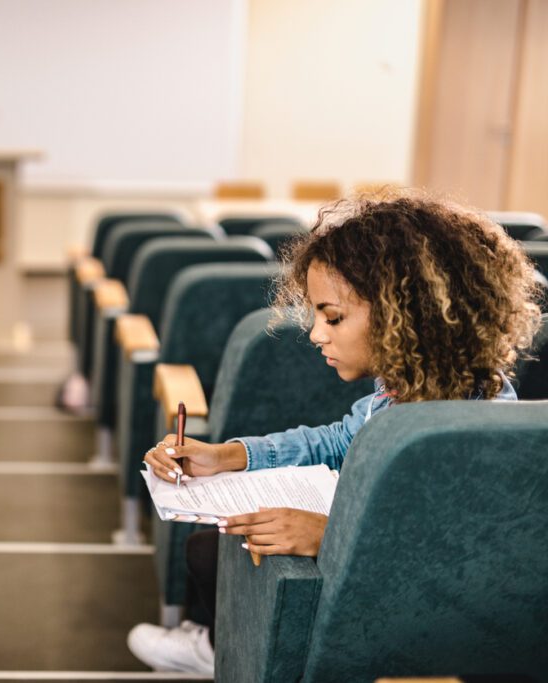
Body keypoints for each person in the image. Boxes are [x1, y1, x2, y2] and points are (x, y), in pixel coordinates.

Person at [127, 190, 544, 675]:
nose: (316, 334)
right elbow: (341, 441)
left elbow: (465, 547)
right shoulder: (399, 390)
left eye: (334, 317)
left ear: (404, 312)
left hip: (417, 616)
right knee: (212, 545)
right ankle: (222, 646)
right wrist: (229, 456)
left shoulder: (476, 420)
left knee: (228, 551)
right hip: (377, 577)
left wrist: (334, 536)